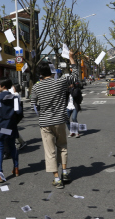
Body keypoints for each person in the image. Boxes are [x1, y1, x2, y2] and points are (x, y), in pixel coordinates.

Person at [31, 51, 79, 189]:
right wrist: (71, 58)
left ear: (40, 74)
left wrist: (41, 113)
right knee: (62, 146)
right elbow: (75, 76)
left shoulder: (36, 86)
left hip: (45, 122)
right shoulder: (60, 82)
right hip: (59, 120)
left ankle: (56, 179)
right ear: (52, 72)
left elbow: (33, 104)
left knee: (49, 151)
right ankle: (65, 172)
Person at [0, 78, 23, 182]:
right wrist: (13, 121)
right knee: (12, 147)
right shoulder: (15, 97)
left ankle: (0, 174)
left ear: (3, 87)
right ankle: (16, 168)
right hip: (10, 126)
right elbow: (19, 112)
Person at [12, 83, 27, 150]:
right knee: (13, 129)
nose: (11, 88)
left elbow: (15, 107)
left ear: (15, 88)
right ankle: (20, 142)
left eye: (12, 87)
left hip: (15, 115)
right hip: (17, 114)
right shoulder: (16, 94)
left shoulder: (15, 95)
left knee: (13, 129)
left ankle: (19, 142)